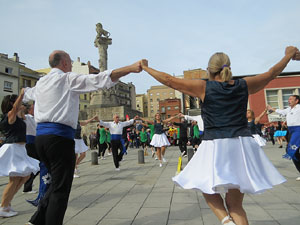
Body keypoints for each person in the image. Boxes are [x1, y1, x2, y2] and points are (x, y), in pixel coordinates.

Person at [141, 46, 299, 225]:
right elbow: (271, 73)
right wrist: (288, 56)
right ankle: (230, 221)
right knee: (236, 205)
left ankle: (225, 221)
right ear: (228, 68)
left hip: (216, 144)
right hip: (241, 146)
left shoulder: (204, 87)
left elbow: (169, 80)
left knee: (205, 186)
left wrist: (146, 68)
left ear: (209, 70)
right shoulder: (243, 85)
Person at [23, 50, 143, 225]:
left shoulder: (42, 83)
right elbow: (100, 79)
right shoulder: (67, 79)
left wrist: (18, 101)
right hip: (58, 138)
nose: (71, 65)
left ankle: (37, 219)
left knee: (55, 182)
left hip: (41, 139)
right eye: (70, 62)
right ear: (63, 63)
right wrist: (131, 68)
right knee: (60, 190)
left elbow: (25, 93)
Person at [0, 91, 39, 218]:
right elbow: (16, 108)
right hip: (13, 148)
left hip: (20, 148)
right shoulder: (9, 116)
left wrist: (22, 107)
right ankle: (3, 206)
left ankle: (7, 202)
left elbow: (21, 114)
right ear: (12, 104)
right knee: (15, 179)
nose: (22, 104)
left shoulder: (18, 116)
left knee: (25, 176)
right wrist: (22, 94)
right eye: (18, 102)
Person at [267, 95, 300, 181]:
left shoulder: (299, 108)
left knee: (292, 150)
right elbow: (280, 111)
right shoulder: (288, 109)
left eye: (291, 99)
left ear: (297, 101)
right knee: (292, 152)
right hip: (290, 131)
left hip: (298, 130)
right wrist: (271, 108)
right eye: (288, 99)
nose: (289, 100)